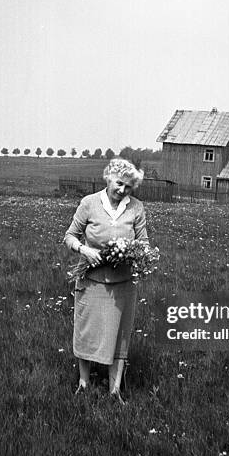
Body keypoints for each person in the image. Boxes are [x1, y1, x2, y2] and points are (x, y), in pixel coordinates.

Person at [64, 158, 149, 403]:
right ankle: (83, 383)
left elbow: (143, 241)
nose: (122, 190)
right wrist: (84, 250)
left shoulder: (137, 208)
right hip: (90, 278)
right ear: (108, 177)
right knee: (86, 330)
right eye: (119, 184)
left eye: (129, 187)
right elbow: (70, 235)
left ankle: (115, 390)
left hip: (123, 283)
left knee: (120, 333)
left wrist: (133, 252)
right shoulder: (89, 204)